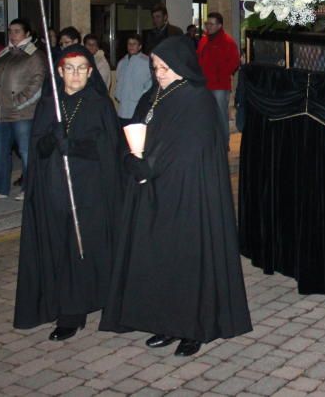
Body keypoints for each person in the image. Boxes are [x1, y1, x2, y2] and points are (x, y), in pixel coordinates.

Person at [101, 36, 252, 357]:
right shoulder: (156, 94)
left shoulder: (197, 100)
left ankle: (193, 329)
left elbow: (190, 150)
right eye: (156, 67)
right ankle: (167, 323)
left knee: (187, 261)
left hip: (188, 196)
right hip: (155, 192)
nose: (160, 73)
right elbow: (136, 128)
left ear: (183, 66)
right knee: (161, 259)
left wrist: (150, 165)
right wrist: (130, 157)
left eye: (165, 67)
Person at [14, 45, 126, 341]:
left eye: (81, 68)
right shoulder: (49, 103)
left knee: (87, 246)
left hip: (90, 190)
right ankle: (67, 308)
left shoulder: (100, 104)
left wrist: (75, 146)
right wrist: (51, 141)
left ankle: (81, 307)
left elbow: (109, 148)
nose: (75, 74)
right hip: (55, 187)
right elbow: (35, 147)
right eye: (69, 68)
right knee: (62, 246)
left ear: (90, 72)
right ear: (59, 72)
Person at [0, 19, 46, 199]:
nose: (13, 35)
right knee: (0, 152)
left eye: (17, 31)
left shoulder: (34, 55)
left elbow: (38, 83)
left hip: (23, 113)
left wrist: (18, 102)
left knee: (27, 153)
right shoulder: (4, 53)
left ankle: (29, 188)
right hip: (0, 112)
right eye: (10, 31)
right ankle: (1, 188)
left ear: (27, 34)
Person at [196, 12, 240, 150]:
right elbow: (198, 59)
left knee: (221, 115)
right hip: (204, 85)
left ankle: (223, 143)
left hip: (219, 86)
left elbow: (234, 62)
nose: (208, 26)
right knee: (205, 114)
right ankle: (209, 142)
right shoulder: (204, 40)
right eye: (206, 23)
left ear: (219, 26)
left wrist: (219, 75)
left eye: (211, 24)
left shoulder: (227, 41)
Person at [113, 34, 151, 127]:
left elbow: (150, 84)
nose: (131, 46)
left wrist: (141, 97)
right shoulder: (122, 62)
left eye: (134, 44)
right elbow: (119, 80)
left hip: (138, 107)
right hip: (123, 107)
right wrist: (118, 95)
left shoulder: (146, 62)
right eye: (129, 44)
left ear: (140, 46)